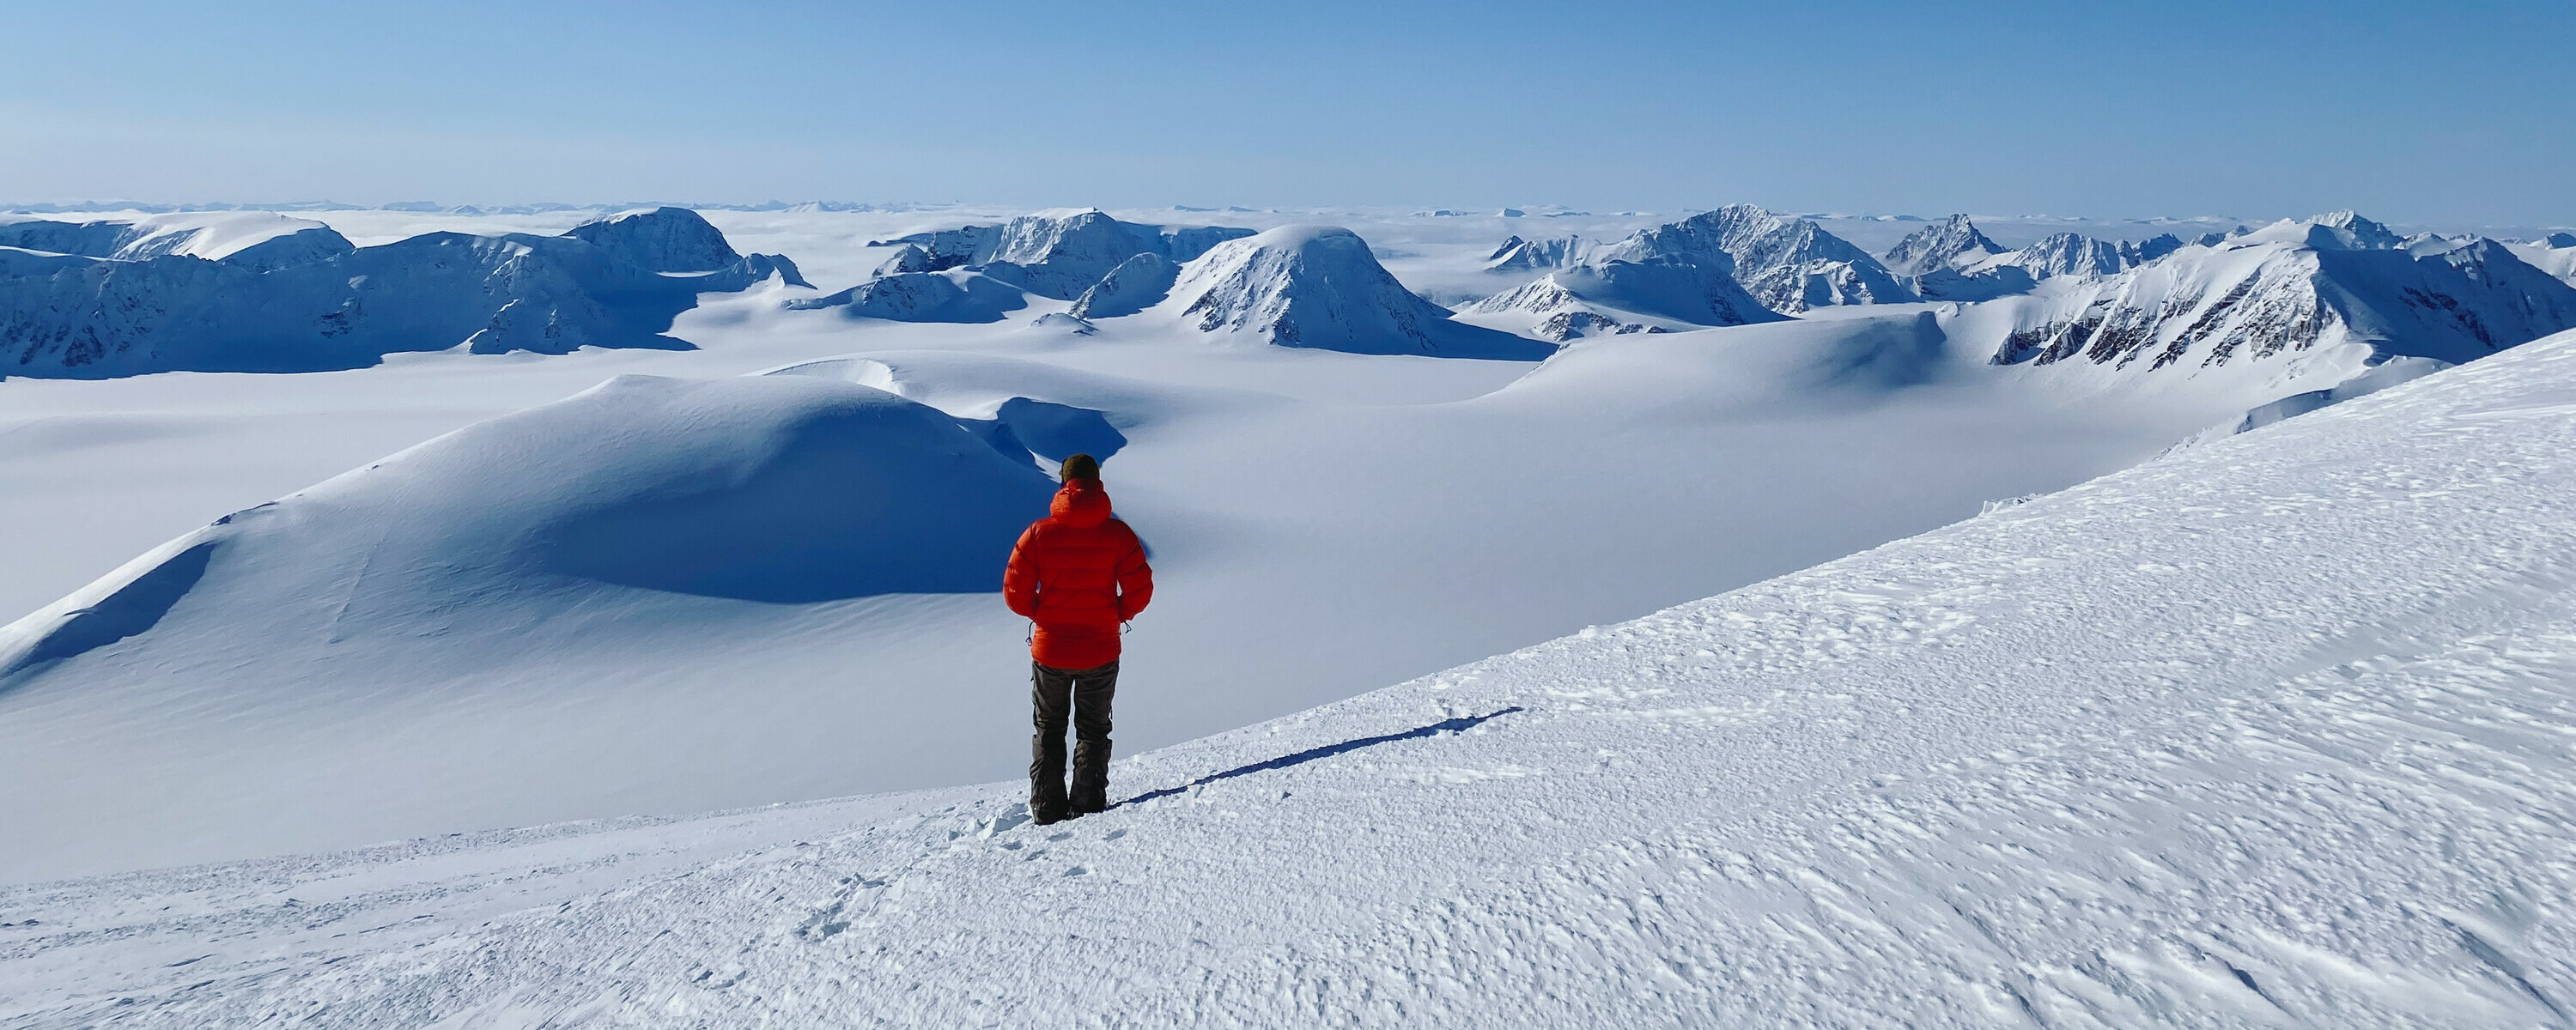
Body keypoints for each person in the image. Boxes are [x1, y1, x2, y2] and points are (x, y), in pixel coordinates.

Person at [1003, 453, 1152, 824]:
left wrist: (1041, 614)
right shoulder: (1118, 535)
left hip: (1051, 649)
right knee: (1093, 729)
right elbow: (1140, 589)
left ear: (1064, 485)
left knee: (1049, 728)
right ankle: (1087, 807)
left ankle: (1047, 809)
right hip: (1101, 649)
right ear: (1097, 483)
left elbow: (1014, 592)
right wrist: (1118, 613)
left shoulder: (1038, 533)